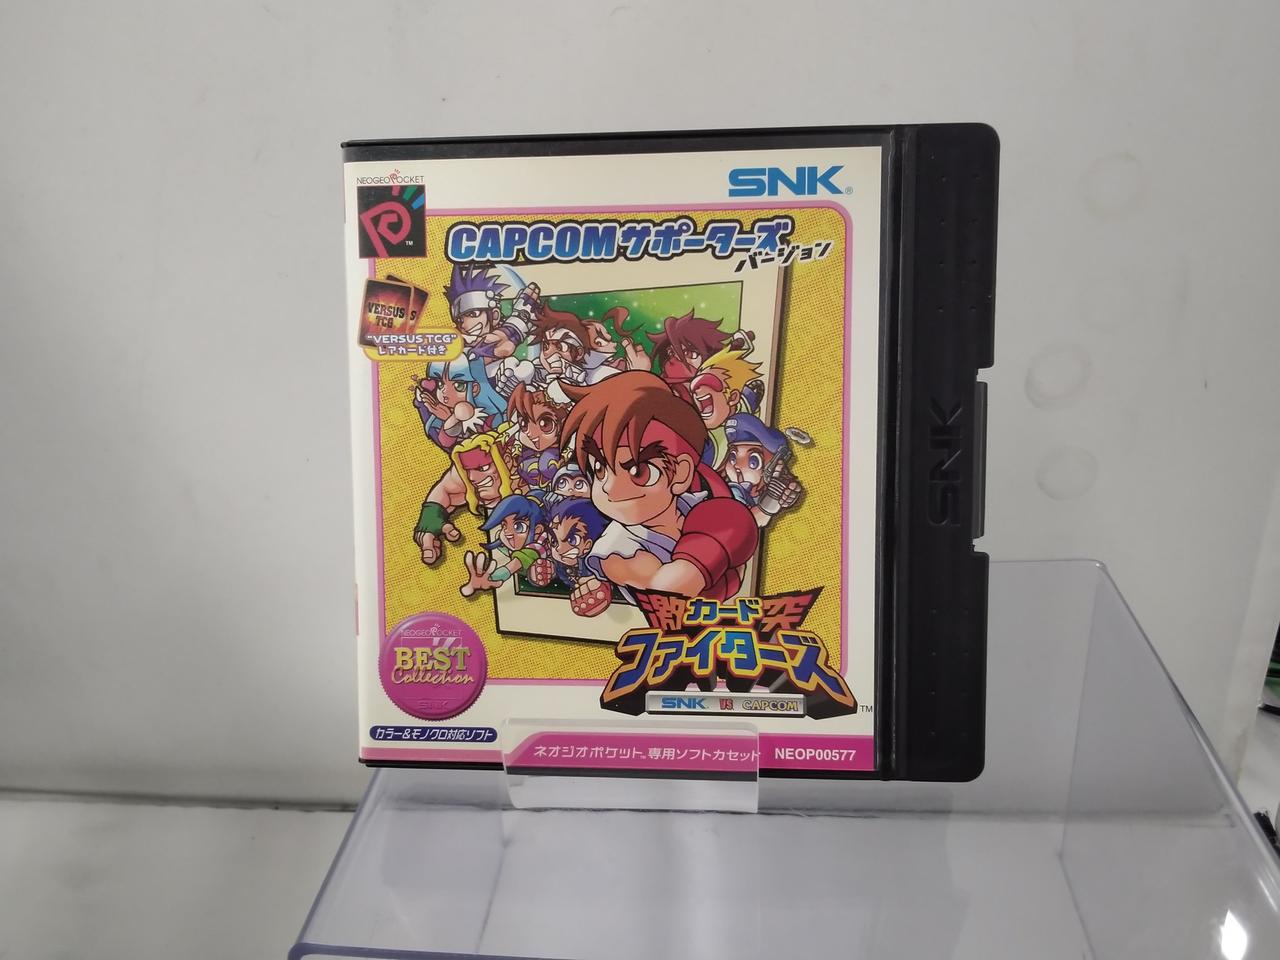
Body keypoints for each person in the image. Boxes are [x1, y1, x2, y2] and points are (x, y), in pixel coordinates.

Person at [560, 371, 759, 615]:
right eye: (600, 470)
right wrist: (722, 565)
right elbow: (670, 592)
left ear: (681, 474)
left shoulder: (695, 505)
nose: (610, 487)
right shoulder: (616, 550)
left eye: (638, 472)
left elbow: (738, 526)